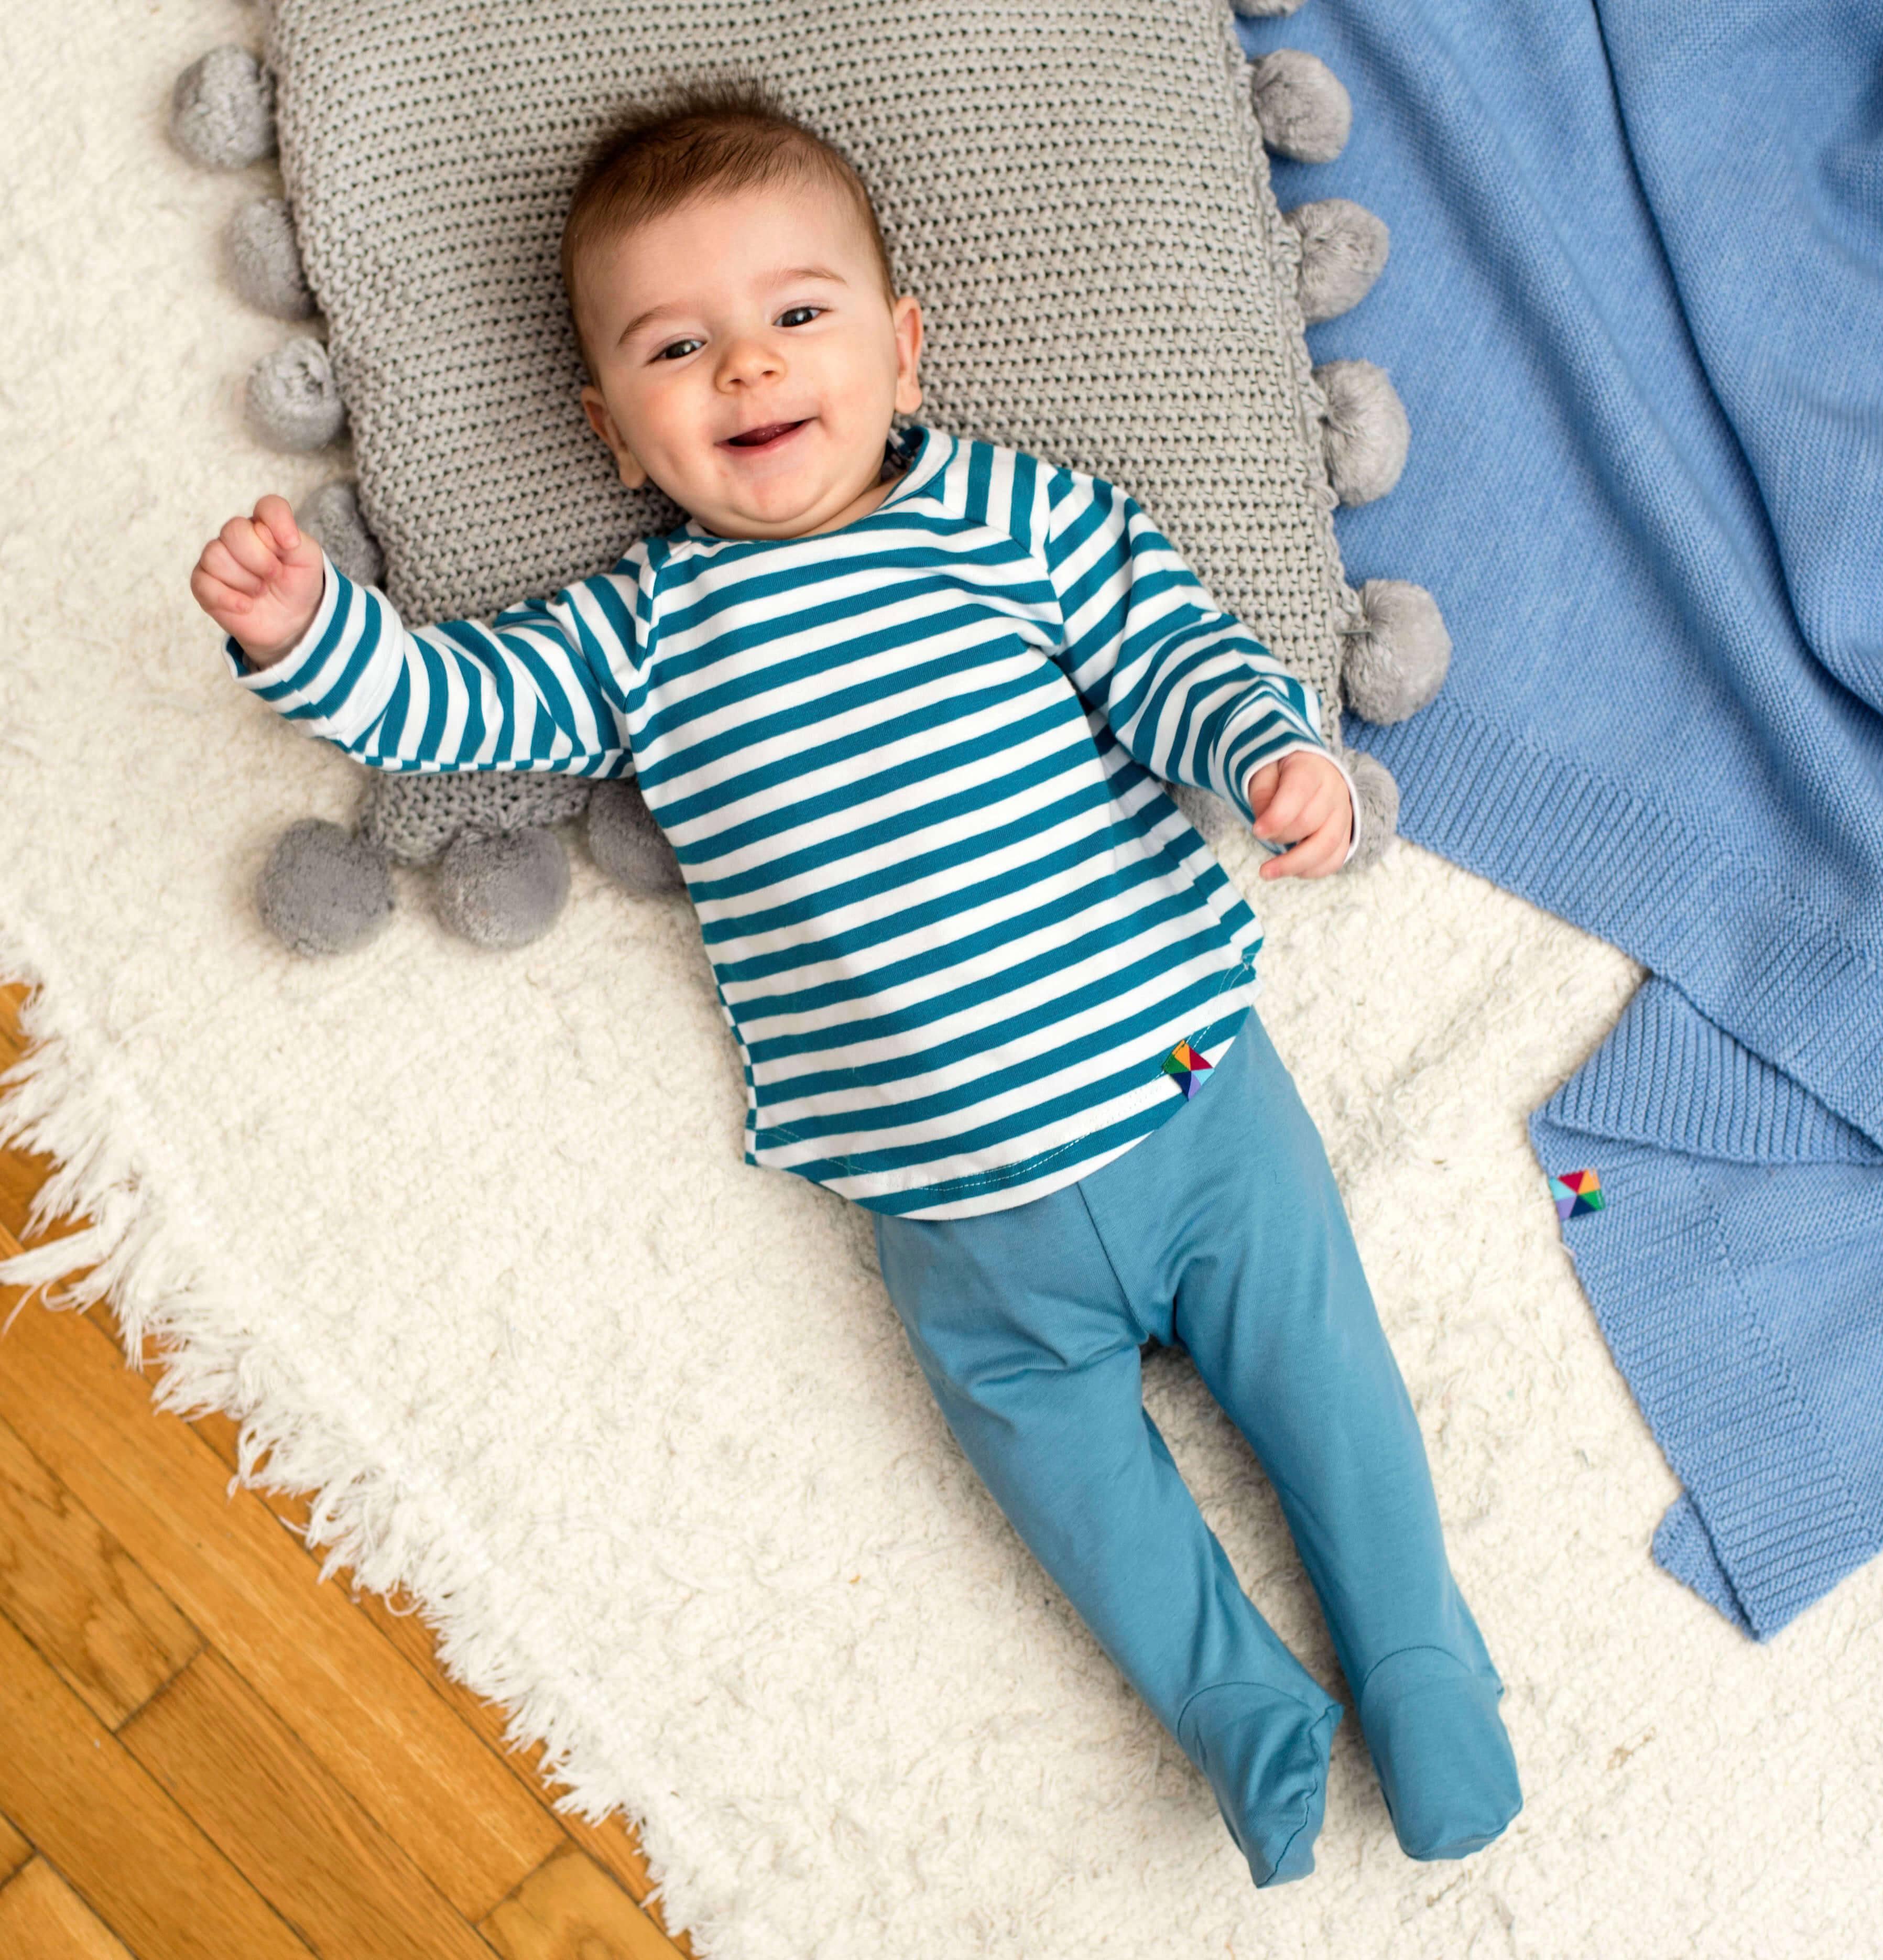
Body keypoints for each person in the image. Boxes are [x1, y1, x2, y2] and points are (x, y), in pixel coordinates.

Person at [189, 75, 1520, 1886]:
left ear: (904, 350)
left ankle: (1425, 1668)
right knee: (1068, 1486)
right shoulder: (640, 632)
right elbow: (459, 714)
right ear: (609, 425)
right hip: (949, 1210)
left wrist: (1266, 753)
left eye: (795, 316)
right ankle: (1241, 1712)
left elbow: (1175, 649)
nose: (747, 369)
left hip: (1194, 1093)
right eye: (680, 346)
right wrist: (306, 633)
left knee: (1331, 1387)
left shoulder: (1015, 519)